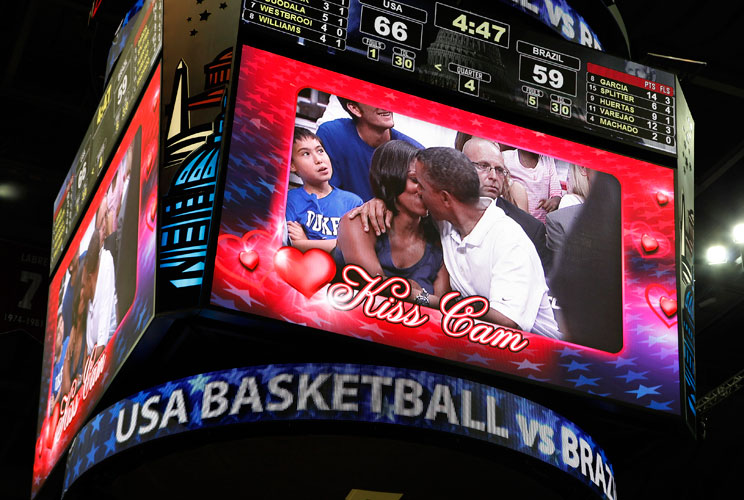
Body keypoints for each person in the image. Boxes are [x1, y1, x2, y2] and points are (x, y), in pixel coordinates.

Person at [350, 147, 561, 339]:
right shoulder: (446, 222)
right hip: (476, 339)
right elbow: (405, 192)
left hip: (536, 352)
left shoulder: (508, 240)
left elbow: (507, 322)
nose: (418, 192)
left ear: (444, 199)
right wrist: (380, 201)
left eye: (421, 186)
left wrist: (423, 299)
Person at [335, 140, 449, 305]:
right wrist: (413, 291)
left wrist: (412, 293)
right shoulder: (359, 222)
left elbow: (441, 307)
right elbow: (376, 287)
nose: (427, 189)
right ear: (390, 179)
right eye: (415, 180)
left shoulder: (439, 239)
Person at [461, 137, 553, 275]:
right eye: (483, 166)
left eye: (499, 170)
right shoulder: (443, 213)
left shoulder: (530, 229)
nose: (493, 176)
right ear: (461, 167)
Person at [316, 97, 423, 201]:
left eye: (387, 95)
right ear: (354, 108)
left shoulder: (416, 154)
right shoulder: (332, 134)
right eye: (376, 97)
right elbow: (325, 196)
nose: (386, 103)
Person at [285, 127, 363, 253]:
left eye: (320, 151)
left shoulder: (352, 202)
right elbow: (291, 246)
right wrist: (338, 243)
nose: (318, 160)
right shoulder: (290, 200)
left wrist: (304, 243)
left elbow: (356, 247)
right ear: (292, 165)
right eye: (306, 154)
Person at [455, 132, 528, 212]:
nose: (493, 143)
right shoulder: (448, 188)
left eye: (494, 139)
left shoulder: (515, 191)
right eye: (483, 166)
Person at [83, 231, 118, 363]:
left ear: (89, 277)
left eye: (82, 286)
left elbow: (100, 345)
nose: (81, 292)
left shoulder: (106, 259)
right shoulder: (89, 304)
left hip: (112, 349)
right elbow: (90, 351)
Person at [502, 148, 562, 223]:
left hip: (541, 225)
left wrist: (554, 201)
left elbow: (556, 192)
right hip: (516, 221)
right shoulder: (507, 158)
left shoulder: (548, 159)